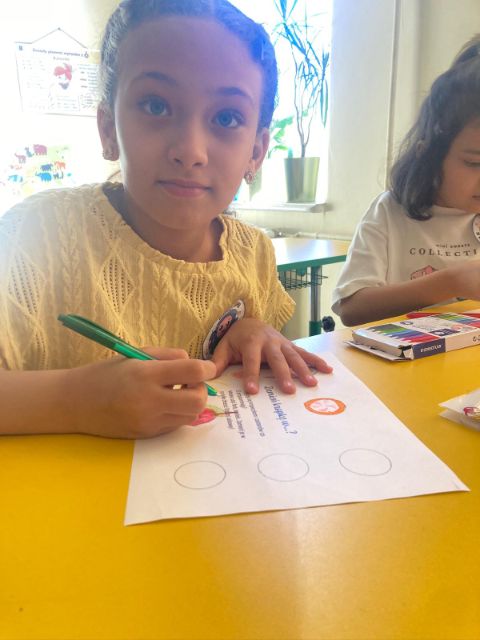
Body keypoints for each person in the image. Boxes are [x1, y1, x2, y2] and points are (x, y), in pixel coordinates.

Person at [0, 0, 332, 439]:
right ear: (108, 129)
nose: (190, 151)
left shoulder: (253, 252)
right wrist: (74, 400)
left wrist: (253, 332)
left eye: (227, 117)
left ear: (256, 151)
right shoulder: (35, 234)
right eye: (156, 106)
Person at [332, 35, 480, 327]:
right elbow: (351, 308)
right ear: (429, 155)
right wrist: (451, 281)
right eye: (474, 163)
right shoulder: (390, 213)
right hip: (406, 353)